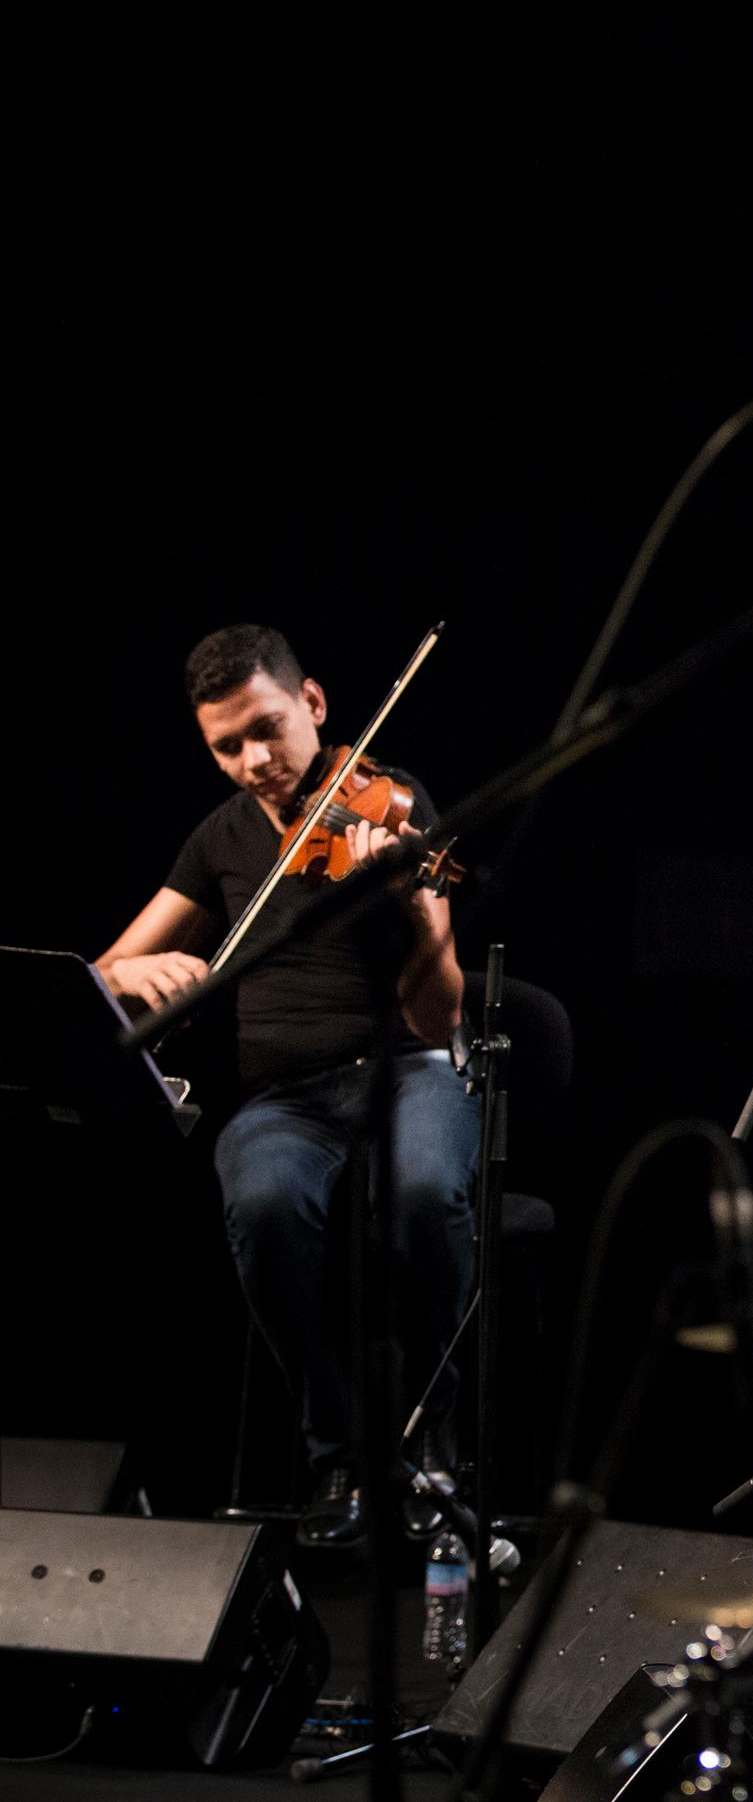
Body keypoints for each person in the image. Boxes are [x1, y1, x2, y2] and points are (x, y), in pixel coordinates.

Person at [97, 624, 479, 1549]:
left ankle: (434, 1441)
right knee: (265, 1204)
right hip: (282, 1101)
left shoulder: (391, 806)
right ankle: (342, 1451)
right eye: (227, 745)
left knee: (426, 1191)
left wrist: (418, 914)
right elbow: (108, 966)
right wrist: (133, 977)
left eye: (268, 728)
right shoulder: (220, 838)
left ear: (312, 702)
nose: (255, 761)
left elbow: (439, 1020)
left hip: (404, 1070)